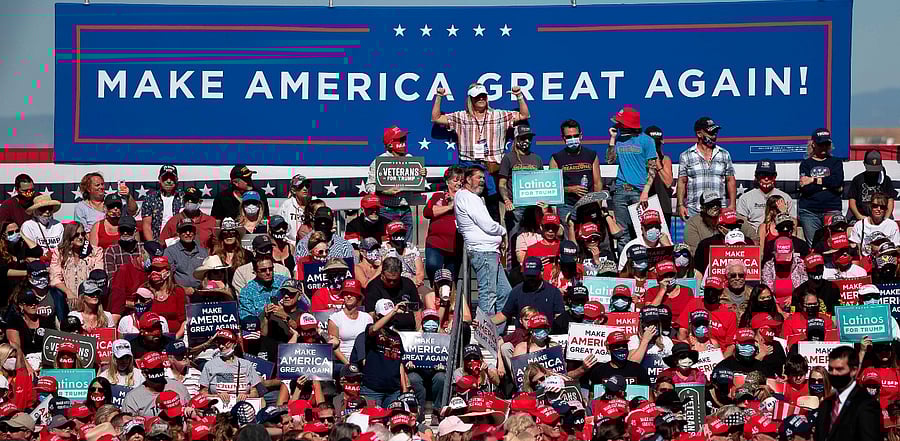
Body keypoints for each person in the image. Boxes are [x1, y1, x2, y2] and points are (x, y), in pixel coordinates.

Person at [432, 83, 530, 223]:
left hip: (491, 168)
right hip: (468, 167)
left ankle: (497, 239)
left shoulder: (498, 115)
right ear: (471, 99)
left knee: (493, 207)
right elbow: (436, 118)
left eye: (483, 96)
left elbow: (524, 115)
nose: (481, 99)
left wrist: (519, 95)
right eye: (477, 96)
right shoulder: (461, 116)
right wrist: (439, 97)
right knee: (467, 208)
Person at [455, 166, 510, 322]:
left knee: (505, 292)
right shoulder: (467, 197)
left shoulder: (474, 198)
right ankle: (483, 337)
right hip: (483, 252)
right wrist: (502, 231)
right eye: (478, 177)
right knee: (488, 295)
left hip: (490, 252)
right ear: (467, 179)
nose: (482, 181)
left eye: (484, 178)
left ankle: (496, 333)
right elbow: (486, 224)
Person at [604, 107, 656, 251]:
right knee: (622, 234)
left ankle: (642, 264)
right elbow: (609, 160)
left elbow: (652, 169)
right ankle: (624, 267)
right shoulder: (619, 139)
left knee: (643, 231)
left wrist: (645, 192)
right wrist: (612, 139)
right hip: (620, 190)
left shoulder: (647, 141)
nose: (617, 125)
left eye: (620, 123)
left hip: (639, 192)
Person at [365, 127, 425, 242]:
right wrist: (383, 191)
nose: (403, 143)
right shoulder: (380, 161)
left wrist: (422, 174)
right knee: (387, 244)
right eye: (400, 140)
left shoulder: (410, 159)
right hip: (387, 210)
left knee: (407, 245)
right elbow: (369, 186)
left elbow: (417, 183)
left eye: (404, 140)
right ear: (390, 144)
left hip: (405, 209)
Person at [550, 119, 604, 239]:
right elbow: (553, 187)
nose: (572, 139)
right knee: (569, 239)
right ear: (563, 138)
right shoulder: (556, 158)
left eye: (575, 136)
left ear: (581, 135)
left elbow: (598, 182)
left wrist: (598, 205)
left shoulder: (591, 155)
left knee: (590, 237)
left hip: (588, 204)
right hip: (567, 205)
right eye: (569, 137)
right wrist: (570, 189)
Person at [814, 346, 880, 441]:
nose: (834, 373)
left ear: (854, 370)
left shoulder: (866, 404)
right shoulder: (825, 404)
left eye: (839, 369)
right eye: (831, 369)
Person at [677, 117, 736, 219]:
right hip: (695, 211)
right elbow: (682, 182)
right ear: (699, 134)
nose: (714, 136)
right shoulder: (686, 156)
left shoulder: (724, 154)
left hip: (718, 211)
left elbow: (730, 180)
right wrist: (680, 205)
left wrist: (732, 204)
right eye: (710, 132)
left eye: (715, 132)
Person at [360, 299, 410, 407]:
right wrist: (393, 311)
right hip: (372, 389)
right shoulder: (370, 329)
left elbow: (399, 363)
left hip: (393, 390)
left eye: (392, 315)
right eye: (385, 316)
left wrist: (405, 389)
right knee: (372, 420)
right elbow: (374, 329)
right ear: (377, 316)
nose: (390, 318)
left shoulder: (396, 336)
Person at [798, 129, 845, 246]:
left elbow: (837, 182)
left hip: (832, 209)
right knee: (814, 246)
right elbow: (806, 189)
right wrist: (827, 185)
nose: (824, 147)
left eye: (826, 144)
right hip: (810, 212)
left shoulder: (836, 162)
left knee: (835, 243)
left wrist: (813, 180)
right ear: (813, 144)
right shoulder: (806, 164)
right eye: (820, 144)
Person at [492, 257, 564, 332]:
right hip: (522, 336)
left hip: (545, 335)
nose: (530, 279)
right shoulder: (517, 291)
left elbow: (559, 318)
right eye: (528, 276)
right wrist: (486, 322)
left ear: (541, 272)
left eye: (533, 276)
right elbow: (504, 315)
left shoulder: (553, 292)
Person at [498, 124, 544, 235]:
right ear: (516, 139)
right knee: (514, 237)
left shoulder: (537, 158)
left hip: (534, 206)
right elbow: (502, 184)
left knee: (535, 236)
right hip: (515, 207)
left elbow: (543, 182)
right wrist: (506, 200)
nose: (527, 140)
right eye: (523, 138)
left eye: (529, 138)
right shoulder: (508, 158)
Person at [199, 329, 264, 405]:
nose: (221, 346)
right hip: (218, 409)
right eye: (219, 343)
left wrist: (246, 396)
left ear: (235, 343)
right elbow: (202, 393)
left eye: (226, 343)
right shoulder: (209, 365)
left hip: (242, 409)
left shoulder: (246, 365)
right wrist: (217, 396)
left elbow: (255, 392)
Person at [736, 160, 797, 241]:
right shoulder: (745, 198)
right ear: (756, 177)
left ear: (775, 177)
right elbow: (741, 222)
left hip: (779, 237)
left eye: (770, 175)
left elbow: (794, 223)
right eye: (762, 175)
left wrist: (784, 213)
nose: (766, 178)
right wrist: (753, 237)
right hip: (753, 237)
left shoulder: (785, 197)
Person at [49, 222, 104, 308]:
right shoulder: (59, 253)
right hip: (67, 299)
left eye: (83, 234)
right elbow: (55, 278)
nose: (81, 237)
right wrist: (68, 292)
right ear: (70, 236)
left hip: (89, 298)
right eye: (76, 235)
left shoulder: (95, 252)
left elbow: (97, 275)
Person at [424, 167, 464, 283]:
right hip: (436, 244)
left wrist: (456, 201)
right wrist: (449, 207)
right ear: (447, 182)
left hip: (455, 246)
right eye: (455, 180)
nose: (459, 183)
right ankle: (435, 293)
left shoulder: (466, 198)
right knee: (432, 267)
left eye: (461, 181)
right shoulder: (438, 196)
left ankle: (449, 299)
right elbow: (428, 212)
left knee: (451, 280)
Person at [365, 257, 423, 332]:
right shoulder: (373, 287)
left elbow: (417, 311)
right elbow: (371, 315)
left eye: (395, 280)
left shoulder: (408, 284)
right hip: (384, 332)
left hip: (409, 331)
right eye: (389, 280)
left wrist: (418, 332)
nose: (392, 283)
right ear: (382, 274)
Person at [123, 351, 190, 416]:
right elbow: (128, 424)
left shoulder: (178, 387)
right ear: (144, 373)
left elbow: (190, 411)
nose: (158, 372)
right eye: (154, 370)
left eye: (160, 368)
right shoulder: (133, 398)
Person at [574, 331, 651, 386]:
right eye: (617, 346)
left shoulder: (638, 369)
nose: (621, 348)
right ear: (608, 348)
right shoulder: (598, 372)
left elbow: (648, 395)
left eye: (624, 345)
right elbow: (593, 399)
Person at [693, 208, 757, 273]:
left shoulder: (748, 242)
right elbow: (698, 271)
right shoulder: (706, 245)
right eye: (732, 226)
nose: (736, 228)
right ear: (720, 228)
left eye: (738, 225)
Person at [327, 279, 373, 365]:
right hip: (343, 362)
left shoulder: (367, 318)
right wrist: (349, 365)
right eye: (346, 293)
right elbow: (334, 348)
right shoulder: (335, 318)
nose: (348, 296)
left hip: (364, 361)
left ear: (358, 297)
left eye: (352, 293)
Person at [163, 218, 210, 294]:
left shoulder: (203, 252)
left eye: (190, 230)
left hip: (201, 291)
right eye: (184, 230)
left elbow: (207, 275)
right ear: (178, 233)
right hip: (178, 292)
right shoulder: (170, 252)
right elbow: (167, 277)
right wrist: (182, 289)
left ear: (194, 233)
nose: (188, 233)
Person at [849, 150, 897, 222]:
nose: (873, 172)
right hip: (862, 217)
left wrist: (886, 218)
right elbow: (852, 200)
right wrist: (859, 216)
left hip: (882, 217)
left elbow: (890, 200)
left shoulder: (886, 180)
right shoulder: (857, 179)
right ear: (864, 164)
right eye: (871, 169)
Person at [381, 221, 427, 296]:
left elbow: (420, 273)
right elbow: (383, 274)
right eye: (396, 234)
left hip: (414, 285)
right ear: (389, 236)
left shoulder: (412, 248)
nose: (400, 237)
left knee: (427, 293)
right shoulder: (383, 250)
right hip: (392, 285)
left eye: (402, 234)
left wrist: (415, 282)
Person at [141, 165, 183, 243]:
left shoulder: (183, 198)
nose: (169, 181)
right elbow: (147, 226)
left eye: (172, 178)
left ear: (177, 180)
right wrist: (152, 244)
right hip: (156, 241)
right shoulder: (150, 198)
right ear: (159, 180)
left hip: (179, 242)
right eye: (165, 178)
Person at [239, 254, 288, 319]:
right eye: (263, 270)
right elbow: (246, 319)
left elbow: (302, 306)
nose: (268, 272)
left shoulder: (284, 282)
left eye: (270, 269)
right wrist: (263, 314)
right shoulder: (247, 292)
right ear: (255, 272)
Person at [761, 237, 808, 301]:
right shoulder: (768, 266)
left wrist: (794, 297)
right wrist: (776, 304)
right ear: (774, 253)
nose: (783, 263)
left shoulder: (800, 264)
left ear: (793, 252)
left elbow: (805, 287)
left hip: (796, 302)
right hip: (773, 304)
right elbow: (767, 290)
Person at [279, 174, 311, 243]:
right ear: (293, 190)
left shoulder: (313, 204)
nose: (305, 188)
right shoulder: (286, 205)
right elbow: (278, 225)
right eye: (301, 186)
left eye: (307, 186)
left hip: (310, 245)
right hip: (291, 245)